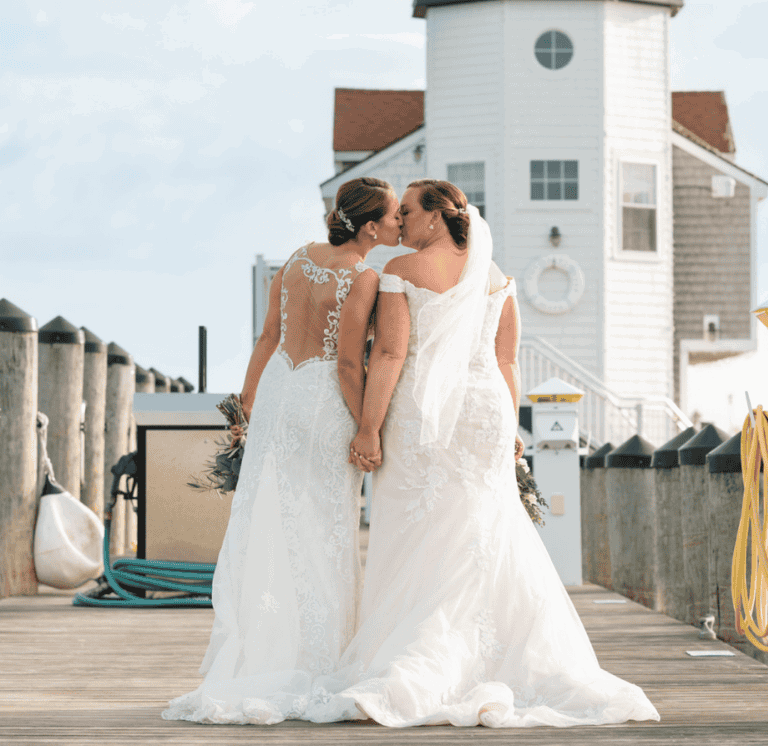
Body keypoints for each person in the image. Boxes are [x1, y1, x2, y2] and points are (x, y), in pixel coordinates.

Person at [301, 179, 660, 728]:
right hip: (486, 411)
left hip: (424, 414)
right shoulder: (498, 277)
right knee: (486, 529)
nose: (402, 222)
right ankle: (500, 654)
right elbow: (507, 360)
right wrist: (510, 424)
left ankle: (421, 657)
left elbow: (393, 354)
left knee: (420, 530)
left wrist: (369, 427)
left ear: (436, 217)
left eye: (411, 211)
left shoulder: (400, 272)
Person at [163, 176, 402, 725]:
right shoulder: (365, 276)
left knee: (271, 517)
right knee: (322, 524)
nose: (397, 225)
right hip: (322, 400)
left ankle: (261, 653)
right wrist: (369, 427)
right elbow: (347, 364)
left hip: (277, 393)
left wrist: (246, 406)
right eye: (392, 217)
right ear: (370, 227)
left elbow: (267, 336)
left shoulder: (295, 259)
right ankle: (316, 661)